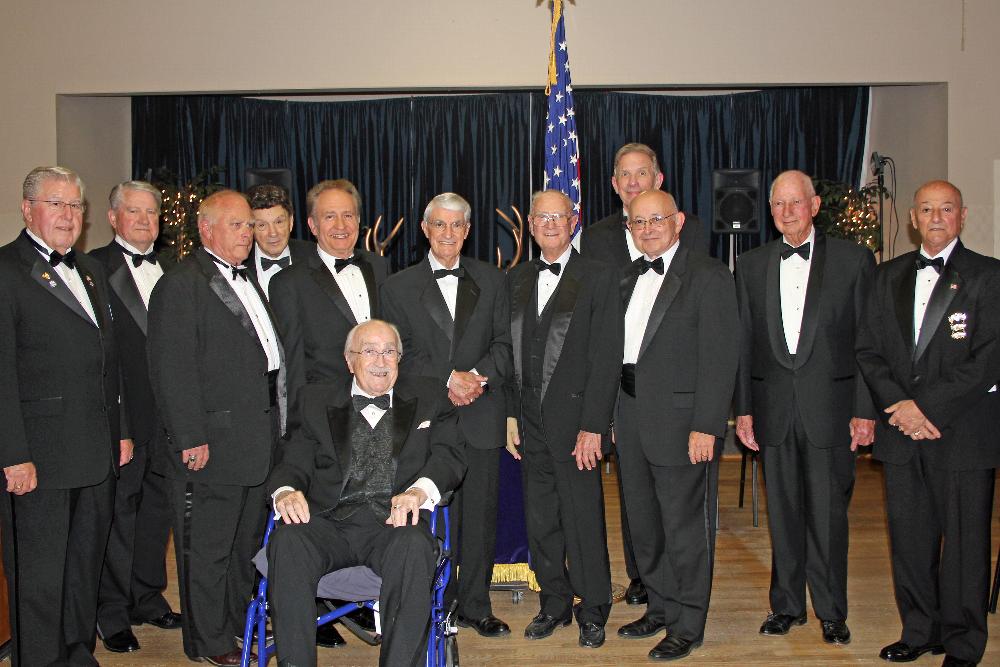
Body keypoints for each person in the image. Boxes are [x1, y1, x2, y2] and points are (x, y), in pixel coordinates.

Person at [857, 180, 1000, 667]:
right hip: (902, 434)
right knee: (911, 541)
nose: (936, 217)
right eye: (926, 209)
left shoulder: (989, 276)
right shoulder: (887, 275)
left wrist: (926, 408)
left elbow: (987, 360)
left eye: (946, 209)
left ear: (963, 215)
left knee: (964, 547)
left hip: (962, 433)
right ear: (914, 219)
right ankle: (920, 630)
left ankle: (962, 644)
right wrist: (900, 405)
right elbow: (869, 350)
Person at [266, 319, 466, 667]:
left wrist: (419, 492)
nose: (381, 360)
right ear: (349, 361)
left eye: (390, 352)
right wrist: (285, 491)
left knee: (415, 545)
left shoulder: (430, 396)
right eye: (369, 351)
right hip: (327, 523)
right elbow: (292, 459)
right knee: (288, 540)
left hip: (394, 523)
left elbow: (450, 456)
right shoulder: (314, 399)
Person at [734, 169, 875, 647]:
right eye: (778, 204)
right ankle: (787, 606)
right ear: (770, 212)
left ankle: (832, 610)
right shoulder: (751, 265)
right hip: (773, 412)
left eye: (796, 202)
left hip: (831, 412)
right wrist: (745, 410)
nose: (787, 211)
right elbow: (745, 346)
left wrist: (865, 409)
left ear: (815, 206)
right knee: (784, 515)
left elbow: (866, 344)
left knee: (830, 517)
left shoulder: (854, 261)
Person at [148, 189, 286, 666]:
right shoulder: (182, 284)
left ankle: (232, 626)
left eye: (250, 225)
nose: (248, 234)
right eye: (238, 225)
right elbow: (172, 368)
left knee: (241, 546)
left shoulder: (247, 279)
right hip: (211, 444)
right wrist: (189, 438)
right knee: (206, 550)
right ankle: (207, 642)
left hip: (255, 441)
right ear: (206, 229)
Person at [0, 166, 128, 665]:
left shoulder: (91, 271)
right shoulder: (6, 272)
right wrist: (13, 455)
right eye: (56, 204)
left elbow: (109, 360)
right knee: (39, 573)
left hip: (95, 450)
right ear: (28, 208)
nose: (68, 216)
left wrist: (122, 432)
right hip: (39, 458)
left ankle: (77, 653)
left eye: (75, 206)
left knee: (82, 568)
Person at [381, 192, 513, 638]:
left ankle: (475, 605)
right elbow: (397, 355)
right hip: (425, 422)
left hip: (482, 412)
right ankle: (426, 603)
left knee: (480, 517)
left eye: (457, 226)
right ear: (425, 229)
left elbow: (506, 346)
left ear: (468, 230)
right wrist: (448, 379)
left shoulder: (495, 280)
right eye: (440, 225)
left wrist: (475, 377)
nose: (449, 234)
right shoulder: (396, 287)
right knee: (425, 515)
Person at [615, 189, 739, 661]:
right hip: (629, 417)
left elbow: (720, 358)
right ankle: (661, 607)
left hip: (684, 424)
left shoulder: (708, 276)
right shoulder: (627, 277)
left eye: (656, 220)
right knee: (644, 527)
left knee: (685, 529)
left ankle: (689, 622)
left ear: (678, 221)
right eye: (637, 222)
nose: (647, 229)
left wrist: (707, 425)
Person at [579, 141, 703, 606]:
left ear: (659, 179)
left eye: (641, 173)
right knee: (634, 501)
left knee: (675, 508)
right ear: (614, 185)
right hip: (621, 393)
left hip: (673, 399)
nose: (633, 182)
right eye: (624, 175)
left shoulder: (692, 236)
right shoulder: (595, 239)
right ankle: (643, 579)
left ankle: (678, 597)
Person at [506, 189, 622, 649]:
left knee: (583, 522)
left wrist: (594, 425)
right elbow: (508, 353)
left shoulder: (598, 276)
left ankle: (593, 607)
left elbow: (607, 356)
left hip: (577, 426)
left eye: (559, 216)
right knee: (541, 522)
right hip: (529, 423)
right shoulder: (514, 279)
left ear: (573, 221)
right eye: (541, 217)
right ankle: (553, 602)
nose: (550, 224)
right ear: (531, 225)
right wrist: (510, 417)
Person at [88, 180, 181, 654]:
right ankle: (112, 612)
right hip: (125, 418)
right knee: (118, 517)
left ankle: (147, 596)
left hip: (168, 418)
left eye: (151, 213)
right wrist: (118, 427)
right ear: (112, 218)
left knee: (156, 514)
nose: (145, 221)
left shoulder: (172, 268)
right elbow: (101, 360)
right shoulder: (94, 269)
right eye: (134, 213)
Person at [269, 179, 389, 403]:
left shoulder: (380, 266)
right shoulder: (288, 283)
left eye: (348, 215)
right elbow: (292, 365)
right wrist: (299, 424)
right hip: (324, 409)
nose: (341, 226)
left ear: (359, 220)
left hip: (384, 403)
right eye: (329, 216)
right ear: (313, 226)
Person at [244, 183, 314, 297]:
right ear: (251, 228)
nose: (273, 233)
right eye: (262, 225)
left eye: (279, 222)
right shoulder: (239, 265)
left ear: (291, 222)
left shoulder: (315, 257)